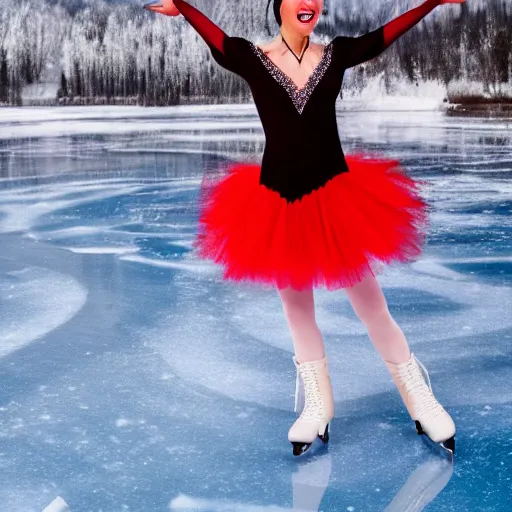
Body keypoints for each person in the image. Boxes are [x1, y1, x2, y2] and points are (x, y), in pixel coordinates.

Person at [144, 0, 463, 457]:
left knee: (372, 306)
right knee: (297, 313)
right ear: (279, 6)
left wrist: (431, 2)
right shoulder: (250, 57)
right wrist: (183, 6)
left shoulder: (335, 55)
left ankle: (419, 397)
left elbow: (386, 34)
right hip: (277, 204)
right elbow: (211, 34)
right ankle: (318, 405)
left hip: (335, 200)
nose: (309, 2)